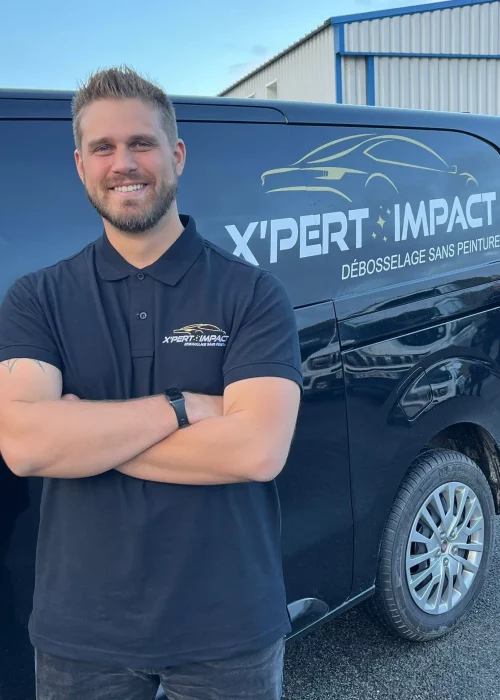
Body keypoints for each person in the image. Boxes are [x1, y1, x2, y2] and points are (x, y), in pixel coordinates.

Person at [0, 66, 302, 700]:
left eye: (141, 143)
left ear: (177, 155)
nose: (123, 163)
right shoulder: (37, 298)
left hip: (229, 629)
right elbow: (26, 445)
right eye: (103, 148)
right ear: (80, 164)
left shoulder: (251, 294)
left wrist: (84, 435)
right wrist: (183, 406)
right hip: (80, 635)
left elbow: (256, 450)